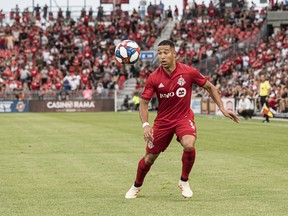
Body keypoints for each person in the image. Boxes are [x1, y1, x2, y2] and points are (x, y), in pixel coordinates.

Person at [125, 40, 239, 199]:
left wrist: (222, 108)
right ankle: (136, 185)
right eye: (159, 53)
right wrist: (145, 125)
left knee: (189, 144)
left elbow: (210, 87)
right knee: (149, 158)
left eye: (165, 52)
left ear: (174, 54)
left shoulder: (188, 72)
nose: (162, 56)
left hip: (183, 118)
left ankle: (184, 181)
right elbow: (144, 103)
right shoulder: (153, 77)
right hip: (163, 122)